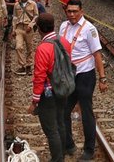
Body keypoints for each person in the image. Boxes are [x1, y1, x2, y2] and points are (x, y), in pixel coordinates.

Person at [60, 0, 107, 161]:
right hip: (69, 75)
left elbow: (97, 54)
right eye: (69, 11)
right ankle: (69, 144)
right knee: (64, 110)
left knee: (86, 112)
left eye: (75, 11)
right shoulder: (63, 27)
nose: (72, 14)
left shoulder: (89, 29)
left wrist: (102, 78)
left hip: (85, 75)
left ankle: (89, 149)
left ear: (81, 11)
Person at [27, 14, 71, 162]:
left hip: (49, 93)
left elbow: (39, 77)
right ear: (53, 25)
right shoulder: (64, 41)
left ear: (39, 29)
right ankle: (62, 154)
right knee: (60, 123)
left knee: (51, 129)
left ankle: (57, 158)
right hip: (63, 90)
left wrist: (35, 100)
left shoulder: (43, 48)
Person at [12, 0, 38, 75]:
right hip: (19, 28)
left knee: (29, 48)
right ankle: (22, 66)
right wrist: (13, 29)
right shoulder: (16, 5)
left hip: (28, 28)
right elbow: (15, 17)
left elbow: (36, 16)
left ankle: (29, 66)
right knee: (18, 47)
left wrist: (31, 25)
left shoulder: (33, 4)